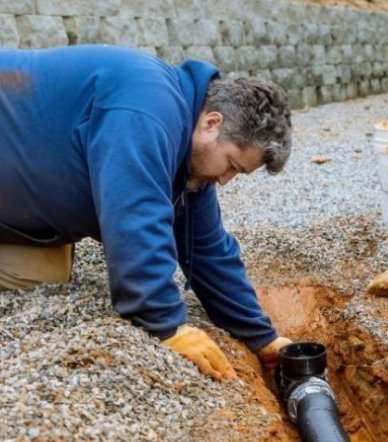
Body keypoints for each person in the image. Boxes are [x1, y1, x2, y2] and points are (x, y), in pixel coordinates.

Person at [0, 45, 292, 380]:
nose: (225, 180)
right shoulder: (147, 106)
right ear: (212, 123)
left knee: (43, 274)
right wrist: (166, 325)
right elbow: (136, 214)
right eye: (232, 166)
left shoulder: (188, 155)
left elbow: (207, 248)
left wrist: (261, 337)